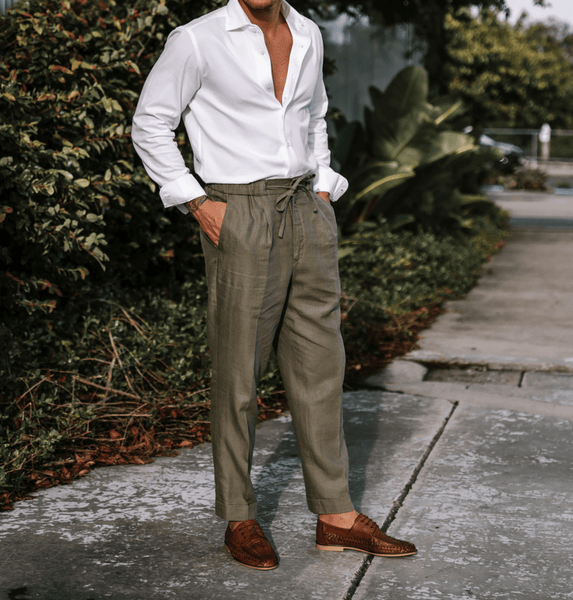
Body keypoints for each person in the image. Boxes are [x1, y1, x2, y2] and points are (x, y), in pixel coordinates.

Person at [132, 0, 417, 570]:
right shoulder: (196, 39)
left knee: (321, 367)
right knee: (239, 373)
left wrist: (323, 185)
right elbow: (150, 124)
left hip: (305, 209)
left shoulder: (307, 32)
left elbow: (313, 119)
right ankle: (239, 515)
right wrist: (197, 202)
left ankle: (335, 517)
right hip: (239, 211)